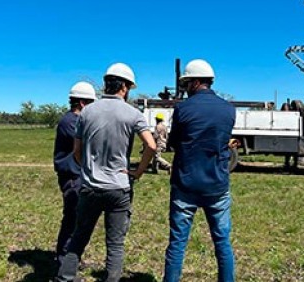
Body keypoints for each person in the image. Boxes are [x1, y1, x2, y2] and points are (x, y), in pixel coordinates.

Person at [56, 63, 156, 282]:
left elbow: (76, 152)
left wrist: (88, 168)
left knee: (79, 238)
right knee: (115, 244)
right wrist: (137, 172)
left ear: (106, 84)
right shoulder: (133, 114)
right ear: (126, 87)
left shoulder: (87, 112)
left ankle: (64, 278)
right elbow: (151, 146)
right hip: (119, 188)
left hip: (90, 187)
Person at [163, 59, 236, 282]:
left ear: (195, 82)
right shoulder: (228, 109)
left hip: (186, 184)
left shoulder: (182, 109)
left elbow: (173, 143)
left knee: (177, 243)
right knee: (222, 242)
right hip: (217, 185)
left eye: (186, 84)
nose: (185, 89)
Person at [52, 81, 96, 264]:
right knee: (72, 219)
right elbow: (88, 144)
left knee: (78, 220)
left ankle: (72, 257)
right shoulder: (71, 122)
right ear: (82, 103)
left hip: (77, 175)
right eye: (91, 104)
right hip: (72, 177)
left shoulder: (75, 121)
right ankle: (63, 259)